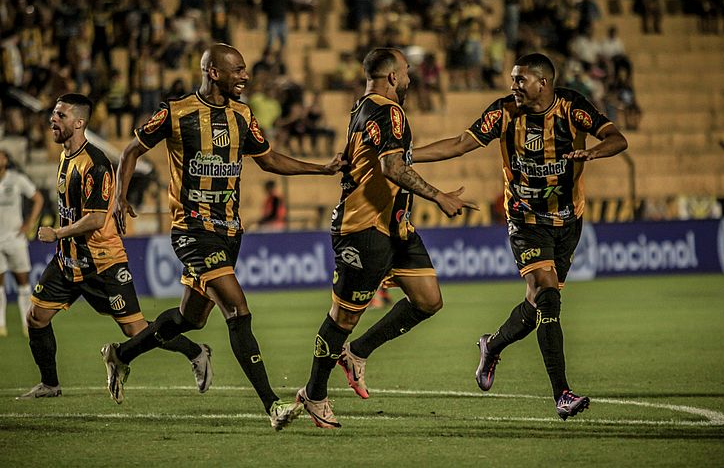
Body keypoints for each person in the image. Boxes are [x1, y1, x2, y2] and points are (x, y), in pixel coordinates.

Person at [105, 43, 344, 431]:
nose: (245, 77)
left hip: (230, 232)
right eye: (238, 70)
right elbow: (130, 151)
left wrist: (321, 169)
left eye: (245, 70)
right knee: (238, 310)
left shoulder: (243, 115)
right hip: (192, 231)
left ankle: (121, 354)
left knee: (189, 319)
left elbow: (268, 158)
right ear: (213, 72)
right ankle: (273, 406)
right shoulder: (176, 112)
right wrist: (119, 197)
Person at [413, 53, 628, 420]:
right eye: (513, 79)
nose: (513, 85)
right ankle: (561, 393)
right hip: (525, 219)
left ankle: (492, 345)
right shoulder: (503, 112)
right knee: (547, 296)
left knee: (536, 304)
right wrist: (407, 156)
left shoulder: (572, 106)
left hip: (567, 219)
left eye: (521, 79)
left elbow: (616, 138)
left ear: (543, 83)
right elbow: (460, 143)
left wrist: (593, 152)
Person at [294, 47, 477, 429]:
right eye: (407, 72)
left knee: (428, 300)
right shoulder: (390, 111)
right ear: (392, 77)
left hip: (395, 227)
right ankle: (314, 394)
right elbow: (392, 167)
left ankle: (357, 353)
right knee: (343, 316)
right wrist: (439, 196)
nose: (410, 79)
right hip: (364, 229)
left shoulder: (361, 107)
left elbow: (365, 160)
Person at [17, 93, 212, 400]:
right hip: (67, 261)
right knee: (35, 317)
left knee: (135, 331)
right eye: (53, 114)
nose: (53, 119)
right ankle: (50, 384)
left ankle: (196, 352)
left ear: (79, 122)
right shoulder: (66, 156)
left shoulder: (94, 164)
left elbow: (95, 220)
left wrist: (57, 232)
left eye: (61, 115)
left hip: (103, 262)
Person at [0, 150, 44, 337]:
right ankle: (1, 325)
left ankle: (27, 324)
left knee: (23, 284)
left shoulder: (16, 179)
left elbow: (38, 199)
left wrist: (29, 224)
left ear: (6, 160)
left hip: (15, 239)